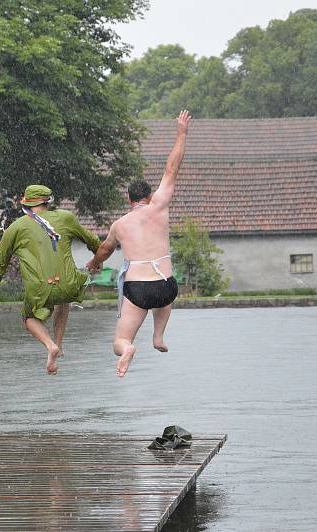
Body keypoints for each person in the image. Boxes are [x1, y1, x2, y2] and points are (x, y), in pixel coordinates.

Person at [87, 110, 192, 378]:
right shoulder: (159, 206)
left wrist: (95, 264)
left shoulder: (119, 225)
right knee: (164, 289)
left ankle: (128, 350)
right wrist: (182, 133)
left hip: (137, 290)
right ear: (149, 195)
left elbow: (104, 250)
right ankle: (158, 336)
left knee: (119, 342)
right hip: (167, 287)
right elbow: (171, 168)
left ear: (129, 201)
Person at [0, 184, 101, 375]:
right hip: (68, 283)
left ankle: (50, 345)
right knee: (64, 300)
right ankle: (59, 345)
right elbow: (94, 241)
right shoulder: (66, 218)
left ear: (27, 204)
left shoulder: (16, 227)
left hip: (40, 289)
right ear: (48, 202)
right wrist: (97, 260)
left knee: (28, 318)